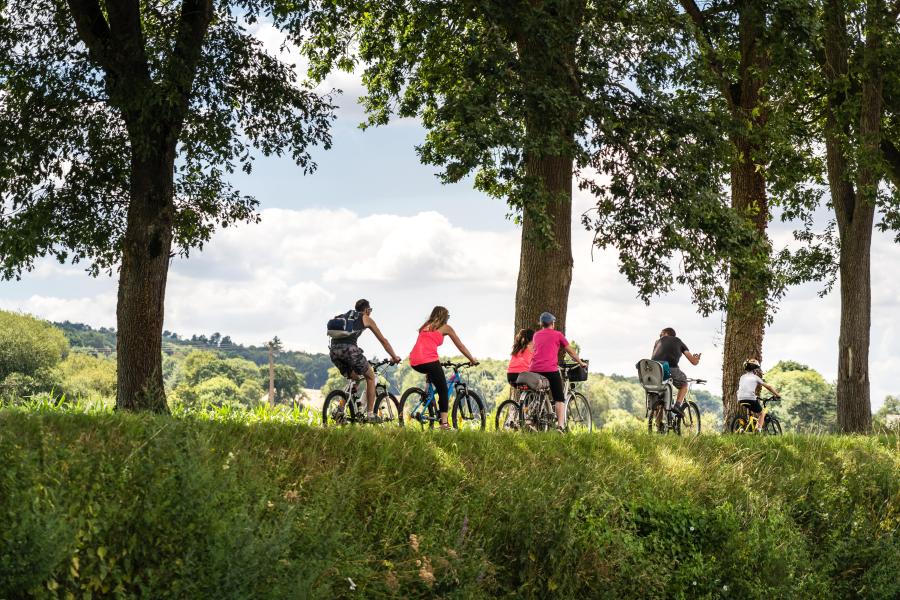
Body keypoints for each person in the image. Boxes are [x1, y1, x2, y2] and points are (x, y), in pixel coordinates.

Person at [328, 299, 401, 422]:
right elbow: (383, 341)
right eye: (370, 310)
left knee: (355, 378)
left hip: (334, 351)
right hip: (350, 351)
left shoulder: (344, 316)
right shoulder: (366, 318)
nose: (370, 313)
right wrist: (394, 356)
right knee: (371, 377)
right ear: (367, 310)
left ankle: (340, 409)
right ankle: (370, 414)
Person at [409, 306, 478, 430]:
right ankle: (444, 424)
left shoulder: (425, 326)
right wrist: (472, 360)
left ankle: (427, 394)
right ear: (444, 317)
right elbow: (460, 346)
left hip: (414, 361)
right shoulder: (446, 328)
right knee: (443, 390)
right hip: (429, 360)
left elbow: (425, 344)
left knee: (432, 372)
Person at [529, 312, 587, 433]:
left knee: (539, 391)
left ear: (541, 324)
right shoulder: (558, 335)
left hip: (534, 369)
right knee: (559, 398)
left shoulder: (536, 335)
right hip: (550, 369)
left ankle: (534, 418)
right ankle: (560, 427)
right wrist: (581, 363)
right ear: (552, 323)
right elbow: (571, 352)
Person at [651, 327, 700, 415]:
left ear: (666, 333)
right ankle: (677, 405)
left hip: (654, 370)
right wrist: (696, 359)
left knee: (660, 394)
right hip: (670, 369)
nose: (660, 336)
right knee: (684, 384)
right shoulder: (679, 342)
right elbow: (693, 361)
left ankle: (658, 425)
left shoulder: (657, 342)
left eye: (661, 334)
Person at [738, 358, 781, 431]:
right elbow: (769, 387)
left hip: (740, 398)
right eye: (756, 370)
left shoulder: (742, 377)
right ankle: (758, 429)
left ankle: (745, 427)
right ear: (754, 370)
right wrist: (778, 395)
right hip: (750, 398)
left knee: (751, 408)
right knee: (762, 413)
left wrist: (755, 396)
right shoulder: (755, 377)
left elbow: (745, 388)